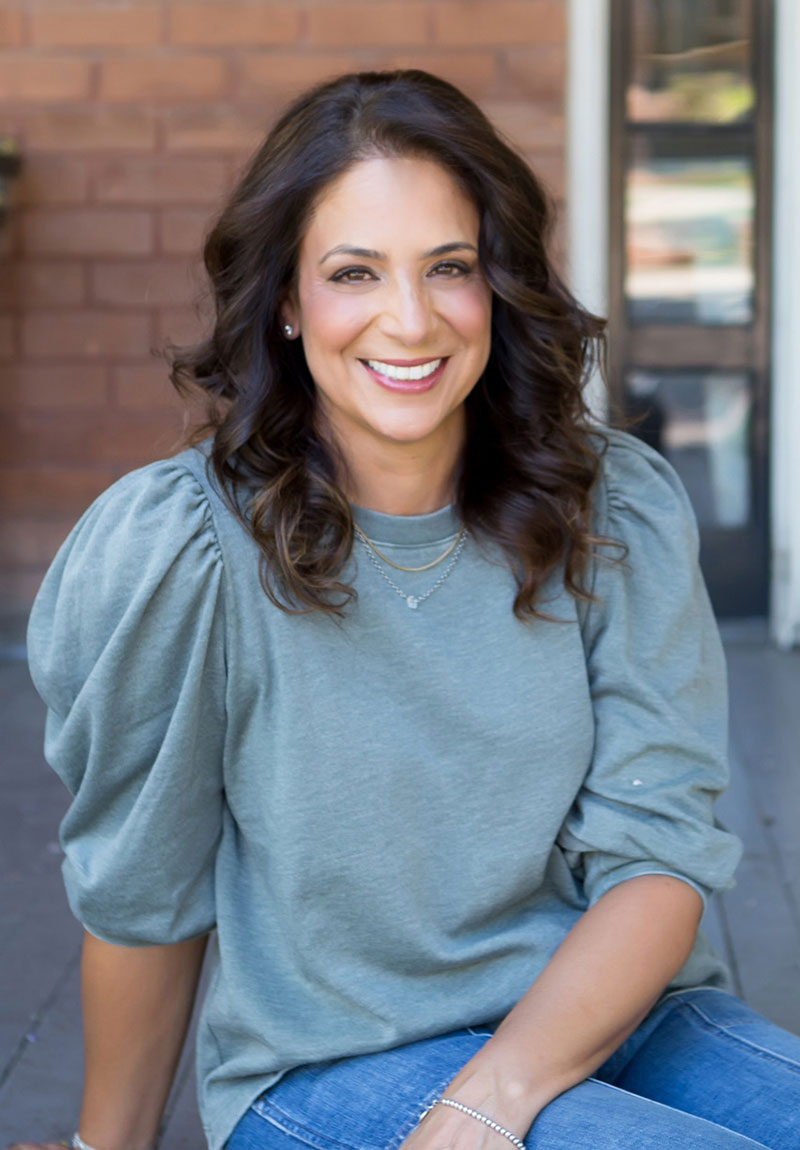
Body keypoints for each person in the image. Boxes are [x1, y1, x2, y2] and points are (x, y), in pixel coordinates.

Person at [16, 70, 800, 1150]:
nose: (409, 319)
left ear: (499, 281)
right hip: (336, 1064)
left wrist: (496, 1093)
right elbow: (143, 897)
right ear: (287, 301)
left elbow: (656, 856)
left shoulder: (610, 507)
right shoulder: (183, 548)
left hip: (623, 1016)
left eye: (450, 267)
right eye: (353, 272)